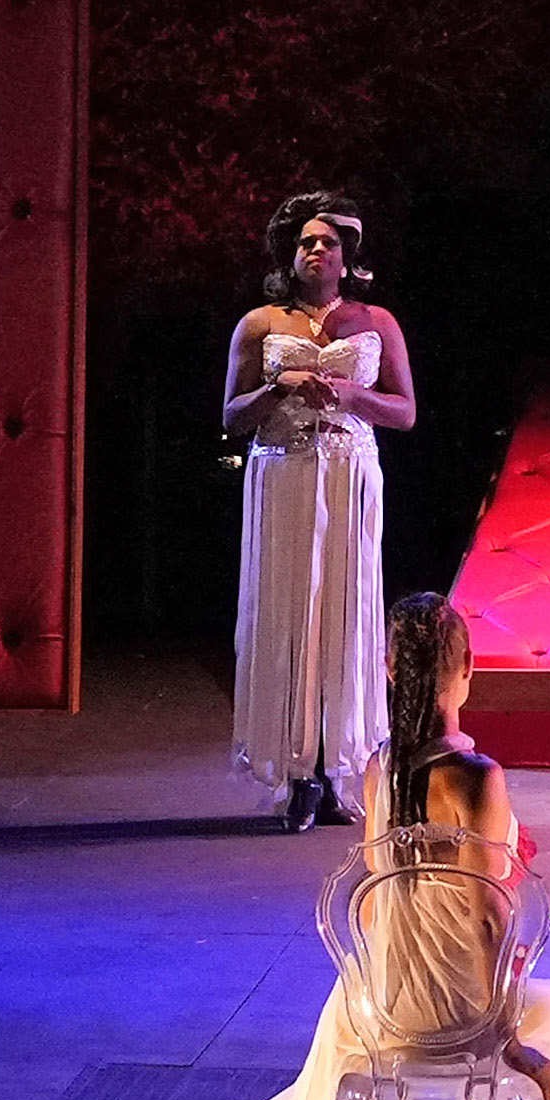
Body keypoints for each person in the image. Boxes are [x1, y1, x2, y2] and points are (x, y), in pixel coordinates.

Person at [37, 592, 550, 1100]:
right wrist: (507, 1041)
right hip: (459, 1012)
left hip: (372, 1005)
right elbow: (486, 917)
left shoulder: (382, 770)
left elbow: (382, 907)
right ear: (465, 666)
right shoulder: (474, 777)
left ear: (389, 670)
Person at [224, 191, 414, 831]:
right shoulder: (259, 322)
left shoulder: (377, 322)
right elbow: (229, 415)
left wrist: (354, 394)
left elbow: (406, 413)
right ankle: (296, 770)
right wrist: (279, 384)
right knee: (289, 611)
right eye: (305, 241)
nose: (315, 250)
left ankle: (338, 769)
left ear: (346, 255)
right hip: (283, 471)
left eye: (327, 242)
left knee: (344, 610)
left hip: (349, 474)